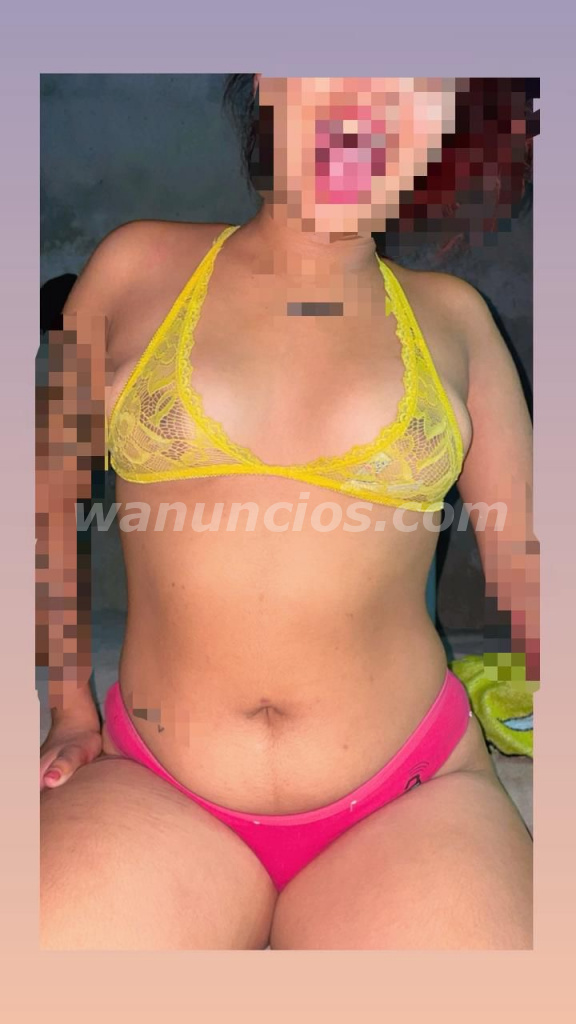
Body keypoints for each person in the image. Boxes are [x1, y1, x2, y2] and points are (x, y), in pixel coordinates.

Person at [38, 76, 537, 950]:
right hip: (156, 784)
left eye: (413, 86)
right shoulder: (132, 269)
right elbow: (49, 501)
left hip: (412, 798)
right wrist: (70, 704)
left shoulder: (459, 322)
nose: (368, 107)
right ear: (271, 79)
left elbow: (532, 570)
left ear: (443, 126)